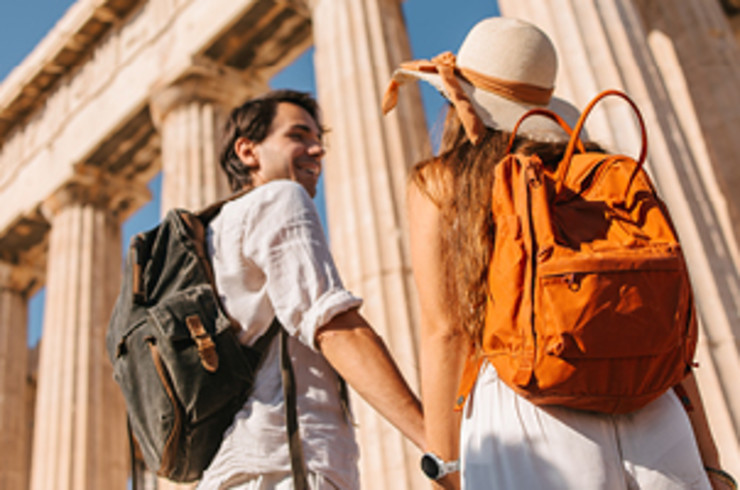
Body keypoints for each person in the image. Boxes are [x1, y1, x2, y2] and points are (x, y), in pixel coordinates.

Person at [383, 16, 734, 490]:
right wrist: (710, 462)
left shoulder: (443, 183)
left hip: (527, 414)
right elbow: (666, 324)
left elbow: (444, 331)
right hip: (655, 415)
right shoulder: (601, 179)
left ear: (454, 101)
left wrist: (444, 466)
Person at [198, 89, 424, 489]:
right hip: (284, 467)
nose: (317, 150)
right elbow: (333, 326)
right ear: (248, 151)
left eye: (319, 139)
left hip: (239, 468)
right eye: (298, 135)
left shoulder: (216, 229)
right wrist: (436, 444)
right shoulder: (279, 198)